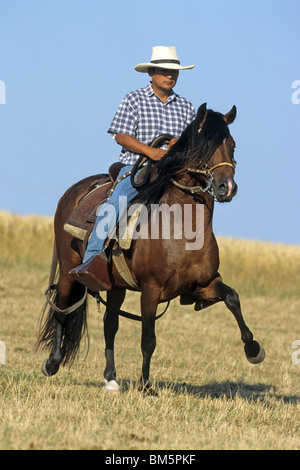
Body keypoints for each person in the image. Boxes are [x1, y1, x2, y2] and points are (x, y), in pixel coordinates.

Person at [71, 46, 196, 281]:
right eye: (164, 71)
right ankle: (92, 258)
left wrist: (181, 144)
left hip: (172, 172)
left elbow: (191, 144)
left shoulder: (186, 107)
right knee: (118, 200)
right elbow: (121, 136)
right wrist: (151, 152)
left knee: (197, 203)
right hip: (138, 168)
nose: (170, 76)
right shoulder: (134, 99)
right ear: (151, 73)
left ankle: (196, 269)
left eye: (174, 72)